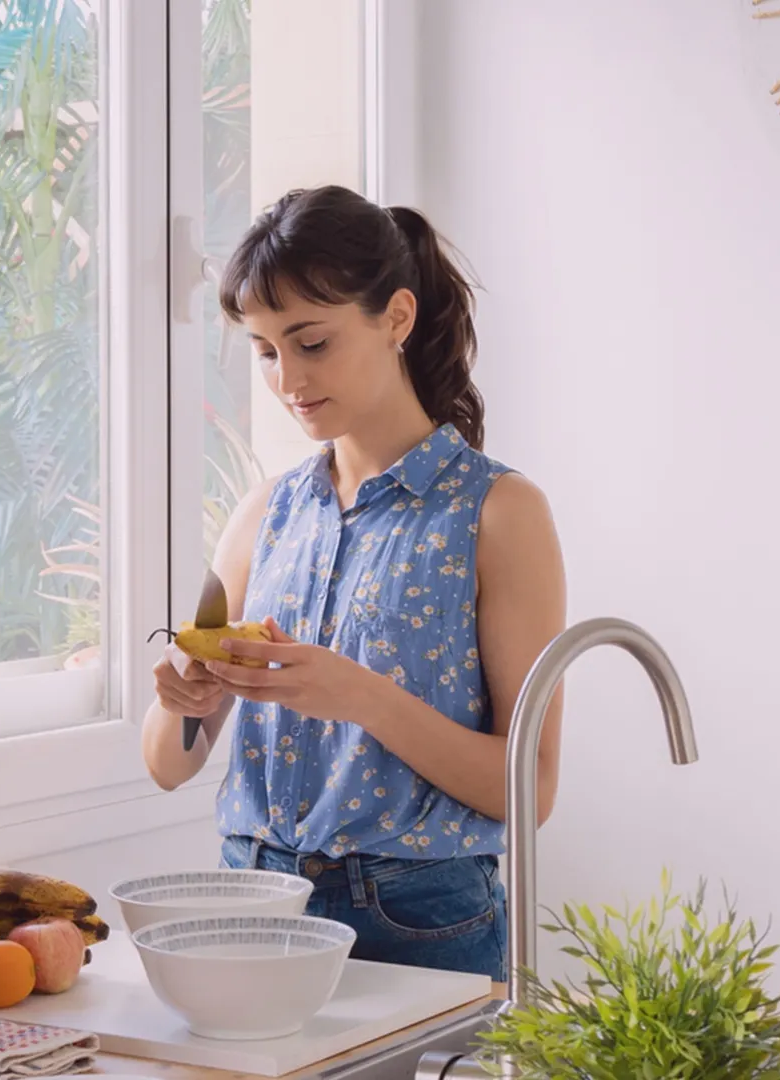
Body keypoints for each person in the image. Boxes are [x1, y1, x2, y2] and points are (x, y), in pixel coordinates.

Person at [139, 184, 567, 982]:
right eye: (266, 351)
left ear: (396, 318)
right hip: (251, 901)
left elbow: (529, 790)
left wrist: (355, 693)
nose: (288, 379)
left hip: (416, 918)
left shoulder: (499, 513)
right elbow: (168, 763)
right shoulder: (264, 511)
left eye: (312, 342)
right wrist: (187, 704)